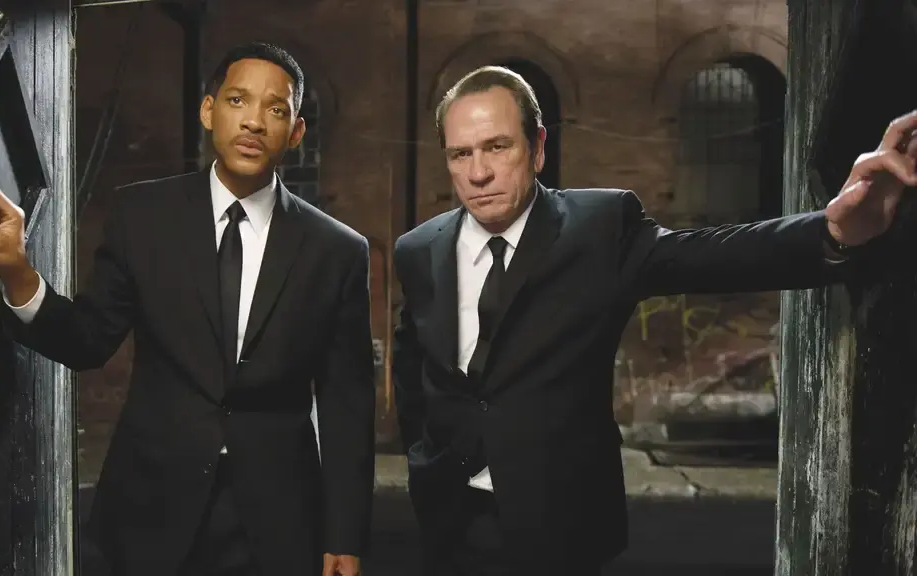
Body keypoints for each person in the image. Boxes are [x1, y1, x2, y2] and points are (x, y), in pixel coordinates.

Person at [391, 65, 917, 576]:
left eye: (497, 146)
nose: (477, 172)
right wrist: (424, 461)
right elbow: (416, 372)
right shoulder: (419, 250)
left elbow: (712, 254)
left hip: (557, 529)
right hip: (450, 525)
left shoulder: (598, 229)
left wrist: (833, 231)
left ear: (538, 147)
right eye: (460, 154)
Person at [0, 42, 375, 576]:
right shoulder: (143, 214)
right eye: (237, 100)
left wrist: (344, 535)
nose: (253, 121)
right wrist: (18, 271)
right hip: (149, 507)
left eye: (275, 109)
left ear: (295, 132)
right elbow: (88, 340)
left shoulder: (337, 250)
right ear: (208, 110)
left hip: (278, 520)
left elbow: (347, 406)